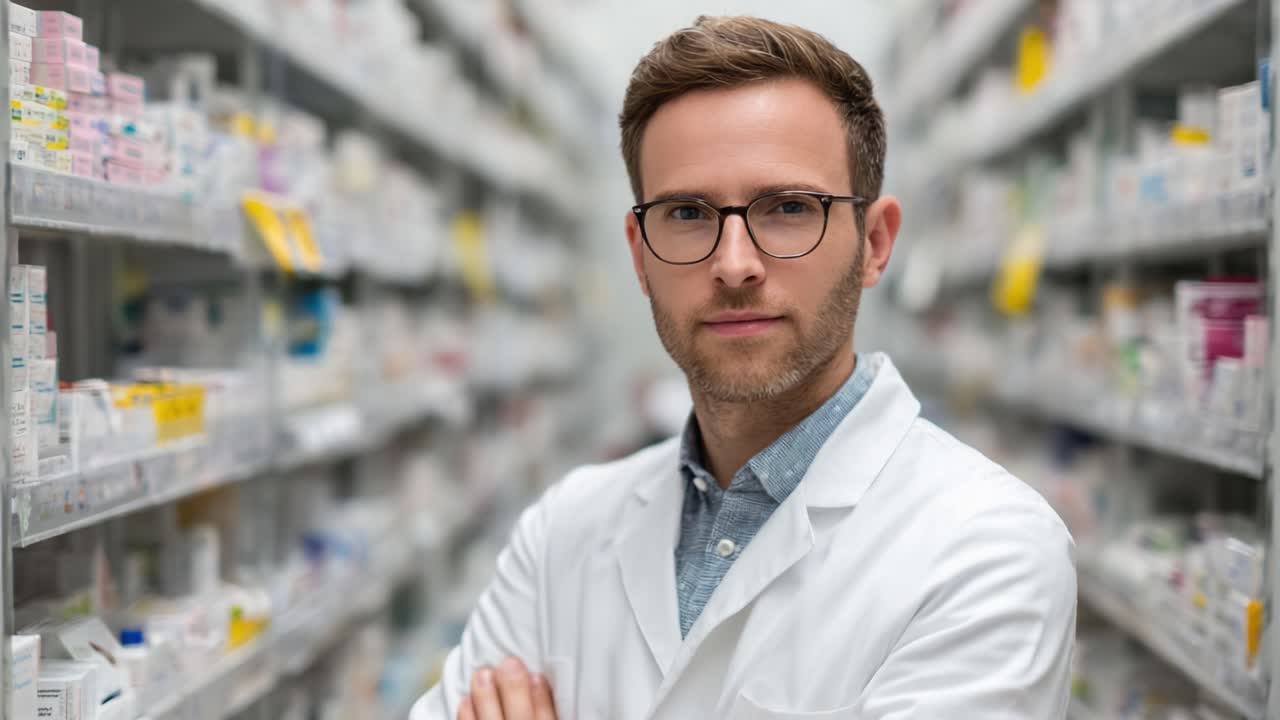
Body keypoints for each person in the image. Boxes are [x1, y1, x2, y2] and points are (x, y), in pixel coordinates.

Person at [412, 15, 1076, 720]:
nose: (734, 264)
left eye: (789, 207)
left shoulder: (987, 548)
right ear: (639, 254)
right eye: (687, 213)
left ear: (875, 243)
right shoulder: (562, 529)